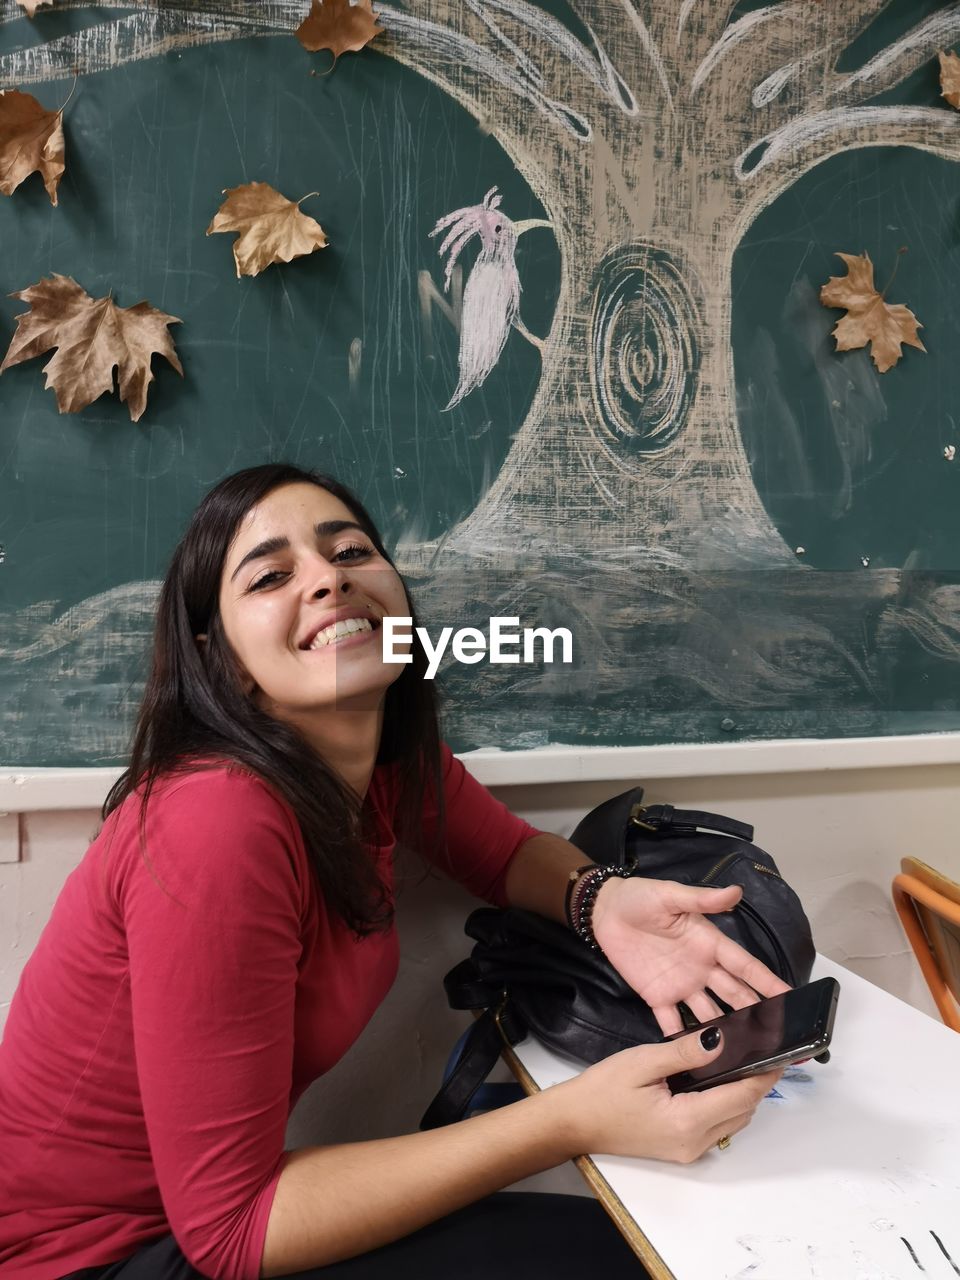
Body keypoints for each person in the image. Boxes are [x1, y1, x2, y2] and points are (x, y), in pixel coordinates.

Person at [0, 464, 788, 1280]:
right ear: (226, 663)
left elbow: (505, 852)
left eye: (350, 551)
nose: (328, 579)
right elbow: (233, 1234)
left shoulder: (378, 764)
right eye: (272, 575)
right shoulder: (217, 818)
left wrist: (603, 900)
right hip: (82, 1263)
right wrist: (572, 1122)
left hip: (196, 1227)